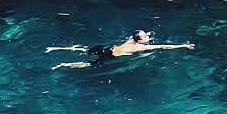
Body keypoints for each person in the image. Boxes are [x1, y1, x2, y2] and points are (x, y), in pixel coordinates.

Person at [46, 30, 194, 69]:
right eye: (145, 37)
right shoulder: (139, 48)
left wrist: (146, 34)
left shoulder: (132, 39)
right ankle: (63, 65)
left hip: (108, 47)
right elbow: (163, 46)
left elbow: (138, 35)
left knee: (84, 50)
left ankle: (55, 48)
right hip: (110, 55)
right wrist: (183, 45)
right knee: (89, 65)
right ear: (140, 41)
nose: (147, 38)